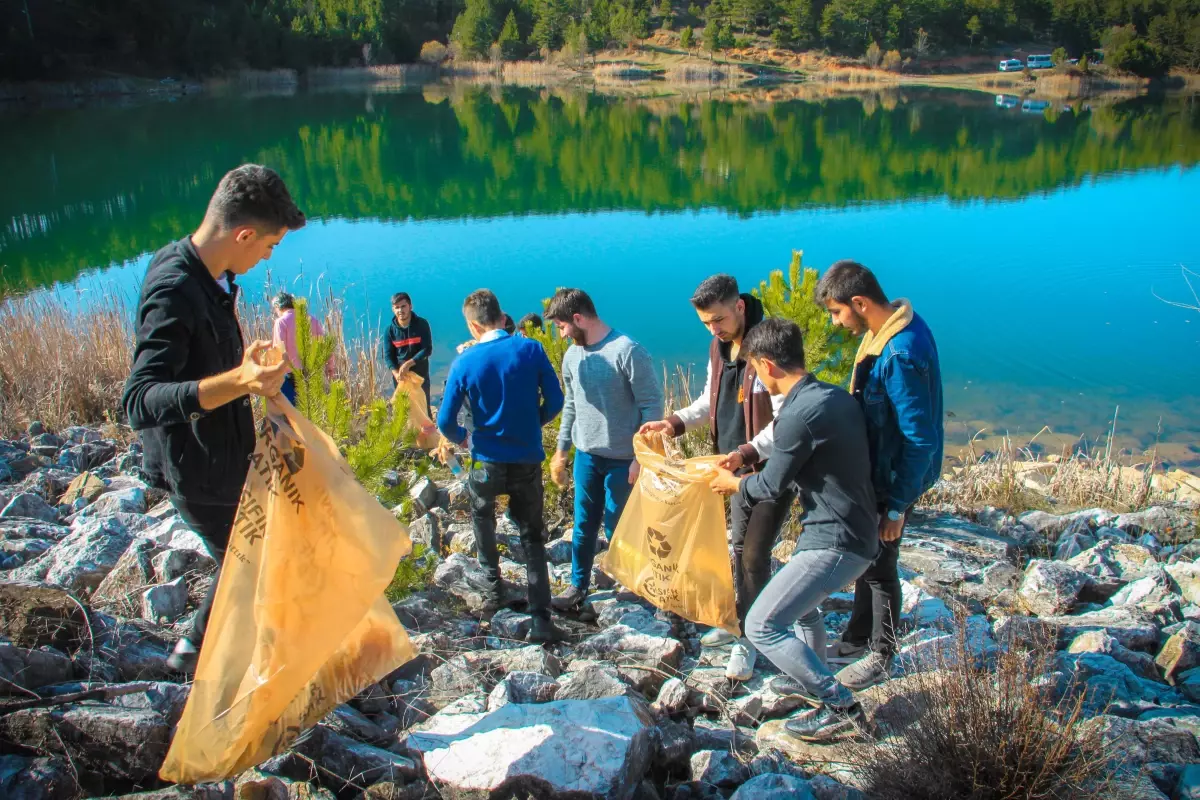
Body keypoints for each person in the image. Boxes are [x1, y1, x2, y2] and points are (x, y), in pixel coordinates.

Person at [122, 164, 305, 672]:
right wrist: (239, 382)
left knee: (247, 562)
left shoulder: (210, 274)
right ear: (243, 234)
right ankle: (209, 665)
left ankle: (198, 654)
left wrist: (248, 366)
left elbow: (201, 358)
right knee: (251, 564)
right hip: (199, 469)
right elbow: (139, 399)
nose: (267, 257)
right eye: (267, 247)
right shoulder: (174, 287)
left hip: (227, 454)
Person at [709, 318, 879, 743]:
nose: (758, 383)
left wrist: (734, 485)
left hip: (836, 543)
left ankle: (839, 704)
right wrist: (744, 452)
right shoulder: (833, 398)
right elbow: (783, 443)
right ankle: (811, 675)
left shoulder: (798, 414)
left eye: (756, 372)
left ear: (767, 364)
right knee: (803, 607)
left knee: (762, 625)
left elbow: (769, 485)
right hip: (852, 532)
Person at [638, 274, 786, 682]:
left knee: (754, 555)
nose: (713, 329)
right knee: (738, 549)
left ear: (739, 306)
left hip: (771, 471)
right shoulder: (719, 347)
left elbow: (787, 421)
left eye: (718, 319)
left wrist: (743, 454)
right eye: (706, 323)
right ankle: (742, 620)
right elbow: (709, 402)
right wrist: (673, 423)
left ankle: (753, 640)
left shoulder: (770, 346)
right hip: (730, 470)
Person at [815, 260, 944, 691]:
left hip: (893, 478)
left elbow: (919, 440)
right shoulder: (887, 330)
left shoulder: (900, 352)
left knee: (881, 565)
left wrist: (896, 506)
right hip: (881, 471)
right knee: (870, 556)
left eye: (837, 313)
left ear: (859, 302)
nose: (837, 323)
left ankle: (881, 655)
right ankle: (856, 636)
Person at [436, 289, 566, 643]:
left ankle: (495, 592)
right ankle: (541, 619)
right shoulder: (532, 349)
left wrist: (467, 439)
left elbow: (445, 422)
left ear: (474, 325)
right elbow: (556, 400)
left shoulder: (465, 362)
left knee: (483, 517)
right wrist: (532, 424)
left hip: (486, 461)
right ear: (502, 316)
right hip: (526, 459)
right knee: (533, 537)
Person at [544, 289, 663, 611]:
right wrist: (561, 451)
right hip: (586, 455)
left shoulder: (628, 351)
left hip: (622, 459)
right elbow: (571, 404)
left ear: (579, 319)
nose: (563, 333)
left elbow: (652, 407)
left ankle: (632, 582)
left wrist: (641, 458)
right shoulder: (572, 356)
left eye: (562, 326)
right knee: (583, 524)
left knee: (618, 526)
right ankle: (577, 585)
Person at [271, 291, 326, 405]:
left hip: (291, 374)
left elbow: (279, 350)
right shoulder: (313, 320)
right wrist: (330, 367)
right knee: (312, 408)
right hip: (312, 371)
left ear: (278, 307)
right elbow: (323, 345)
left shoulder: (281, 322)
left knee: (294, 410)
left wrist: (274, 374)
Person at [382, 292, 433, 413]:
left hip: (421, 376)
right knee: (404, 412)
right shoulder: (389, 331)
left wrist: (408, 364)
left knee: (424, 410)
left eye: (403, 306)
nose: (400, 310)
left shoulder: (422, 324)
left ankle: (429, 431)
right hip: (402, 378)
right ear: (393, 309)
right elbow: (388, 357)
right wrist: (396, 373)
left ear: (410, 306)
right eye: (397, 307)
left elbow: (427, 349)